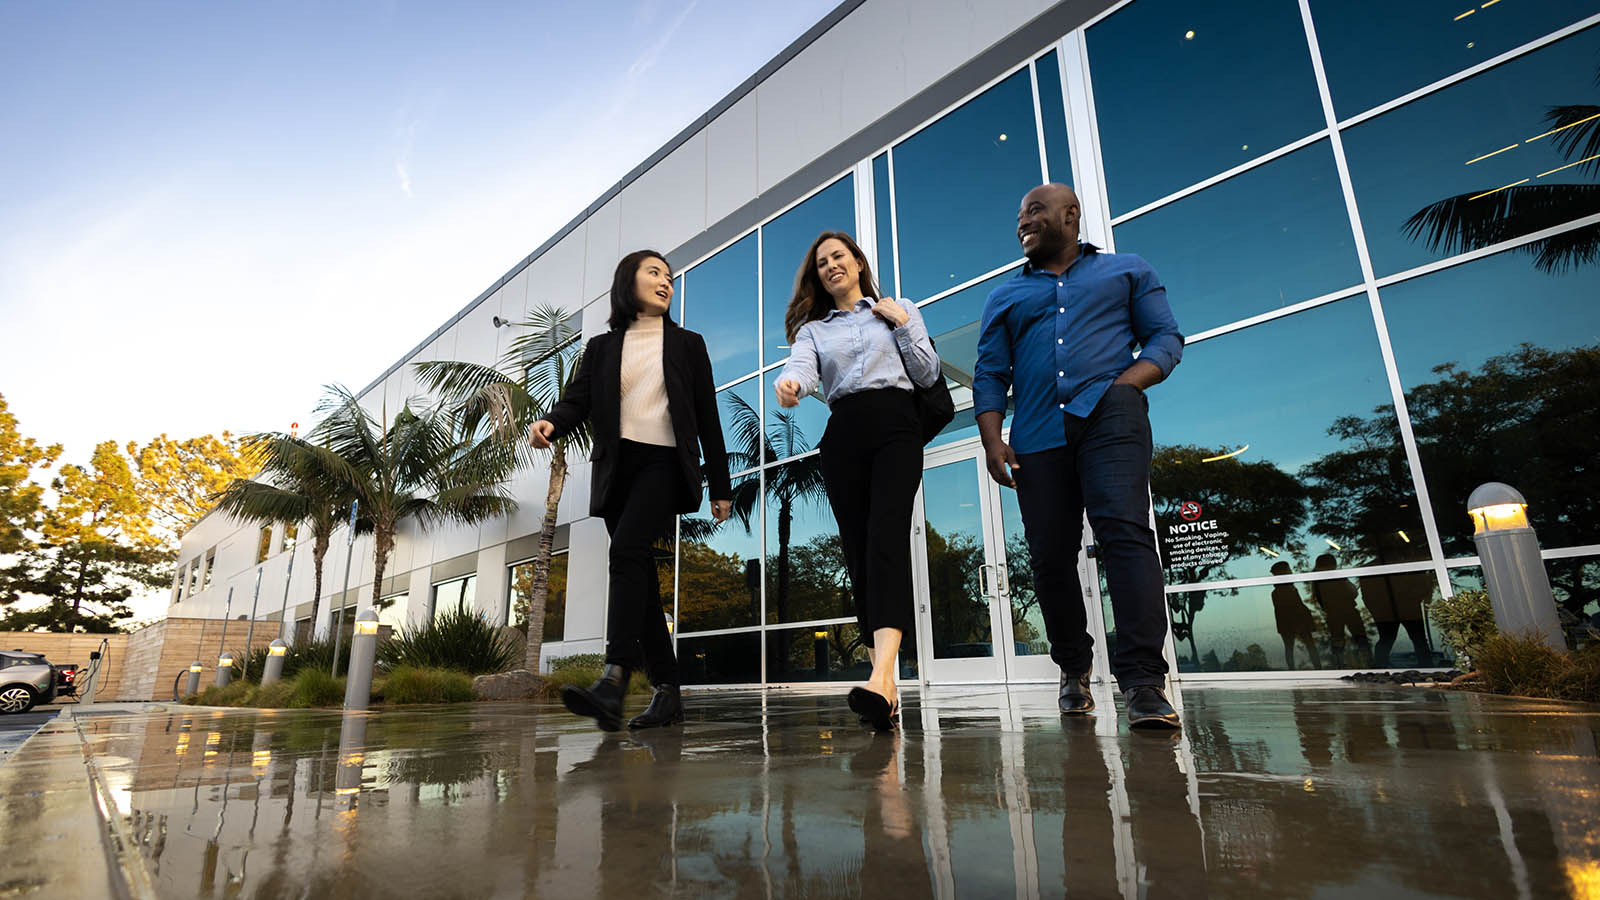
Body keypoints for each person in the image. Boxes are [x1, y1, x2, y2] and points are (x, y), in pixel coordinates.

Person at [974, 183, 1184, 729]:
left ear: (1071, 215)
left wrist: (1126, 386)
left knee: (1124, 533)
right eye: (1020, 215)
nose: (1024, 222)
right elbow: (991, 373)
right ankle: (1073, 668)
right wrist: (993, 437)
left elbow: (1165, 337)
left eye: (1036, 211)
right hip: (1038, 434)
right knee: (1047, 556)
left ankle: (1143, 682)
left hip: (1109, 418)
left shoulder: (1126, 270)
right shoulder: (1004, 297)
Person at [531, 249, 733, 731]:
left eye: (669, 276)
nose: (666, 281)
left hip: (664, 463)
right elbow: (577, 400)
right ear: (629, 282)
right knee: (639, 580)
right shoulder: (602, 348)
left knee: (625, 552)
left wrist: (721, 485)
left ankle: (615, 677)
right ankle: (668, 692)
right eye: (654, 273)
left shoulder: (688, 344)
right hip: (618, 469)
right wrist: (551, 422)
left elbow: (707, 415)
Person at [774, 231, 941, 731]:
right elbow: (802, 368)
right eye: (821, 263)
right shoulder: (813, 330)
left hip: (895, 427)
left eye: (838, 257)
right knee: (858, 550)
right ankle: (883, 691)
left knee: (886, 538)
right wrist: (792, 385)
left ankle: (882, 674)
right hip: (844, 432)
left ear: (858, 262)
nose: (830, 266)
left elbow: (929, 373)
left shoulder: (898, 308)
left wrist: (904, 324)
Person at [1309, 554, 1369, 666]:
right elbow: (1353, 592)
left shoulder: (1317, 581)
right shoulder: (1338, 577)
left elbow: (1319, 599)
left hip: (1332, 613)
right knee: (1360, 639)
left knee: (1337, 641)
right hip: (1348, 610)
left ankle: (1339, 665)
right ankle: (1367, 663)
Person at [1270, 561, 1321, 670]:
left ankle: (1296, 670)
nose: (1291, 572)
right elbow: (1292, 608)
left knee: (1291, 648)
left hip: (1291, 623)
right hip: (1295, 622)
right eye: (1289, 570)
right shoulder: (1283, 591)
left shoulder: (1281, 591)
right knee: (1307, 646)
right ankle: (1317, 668)